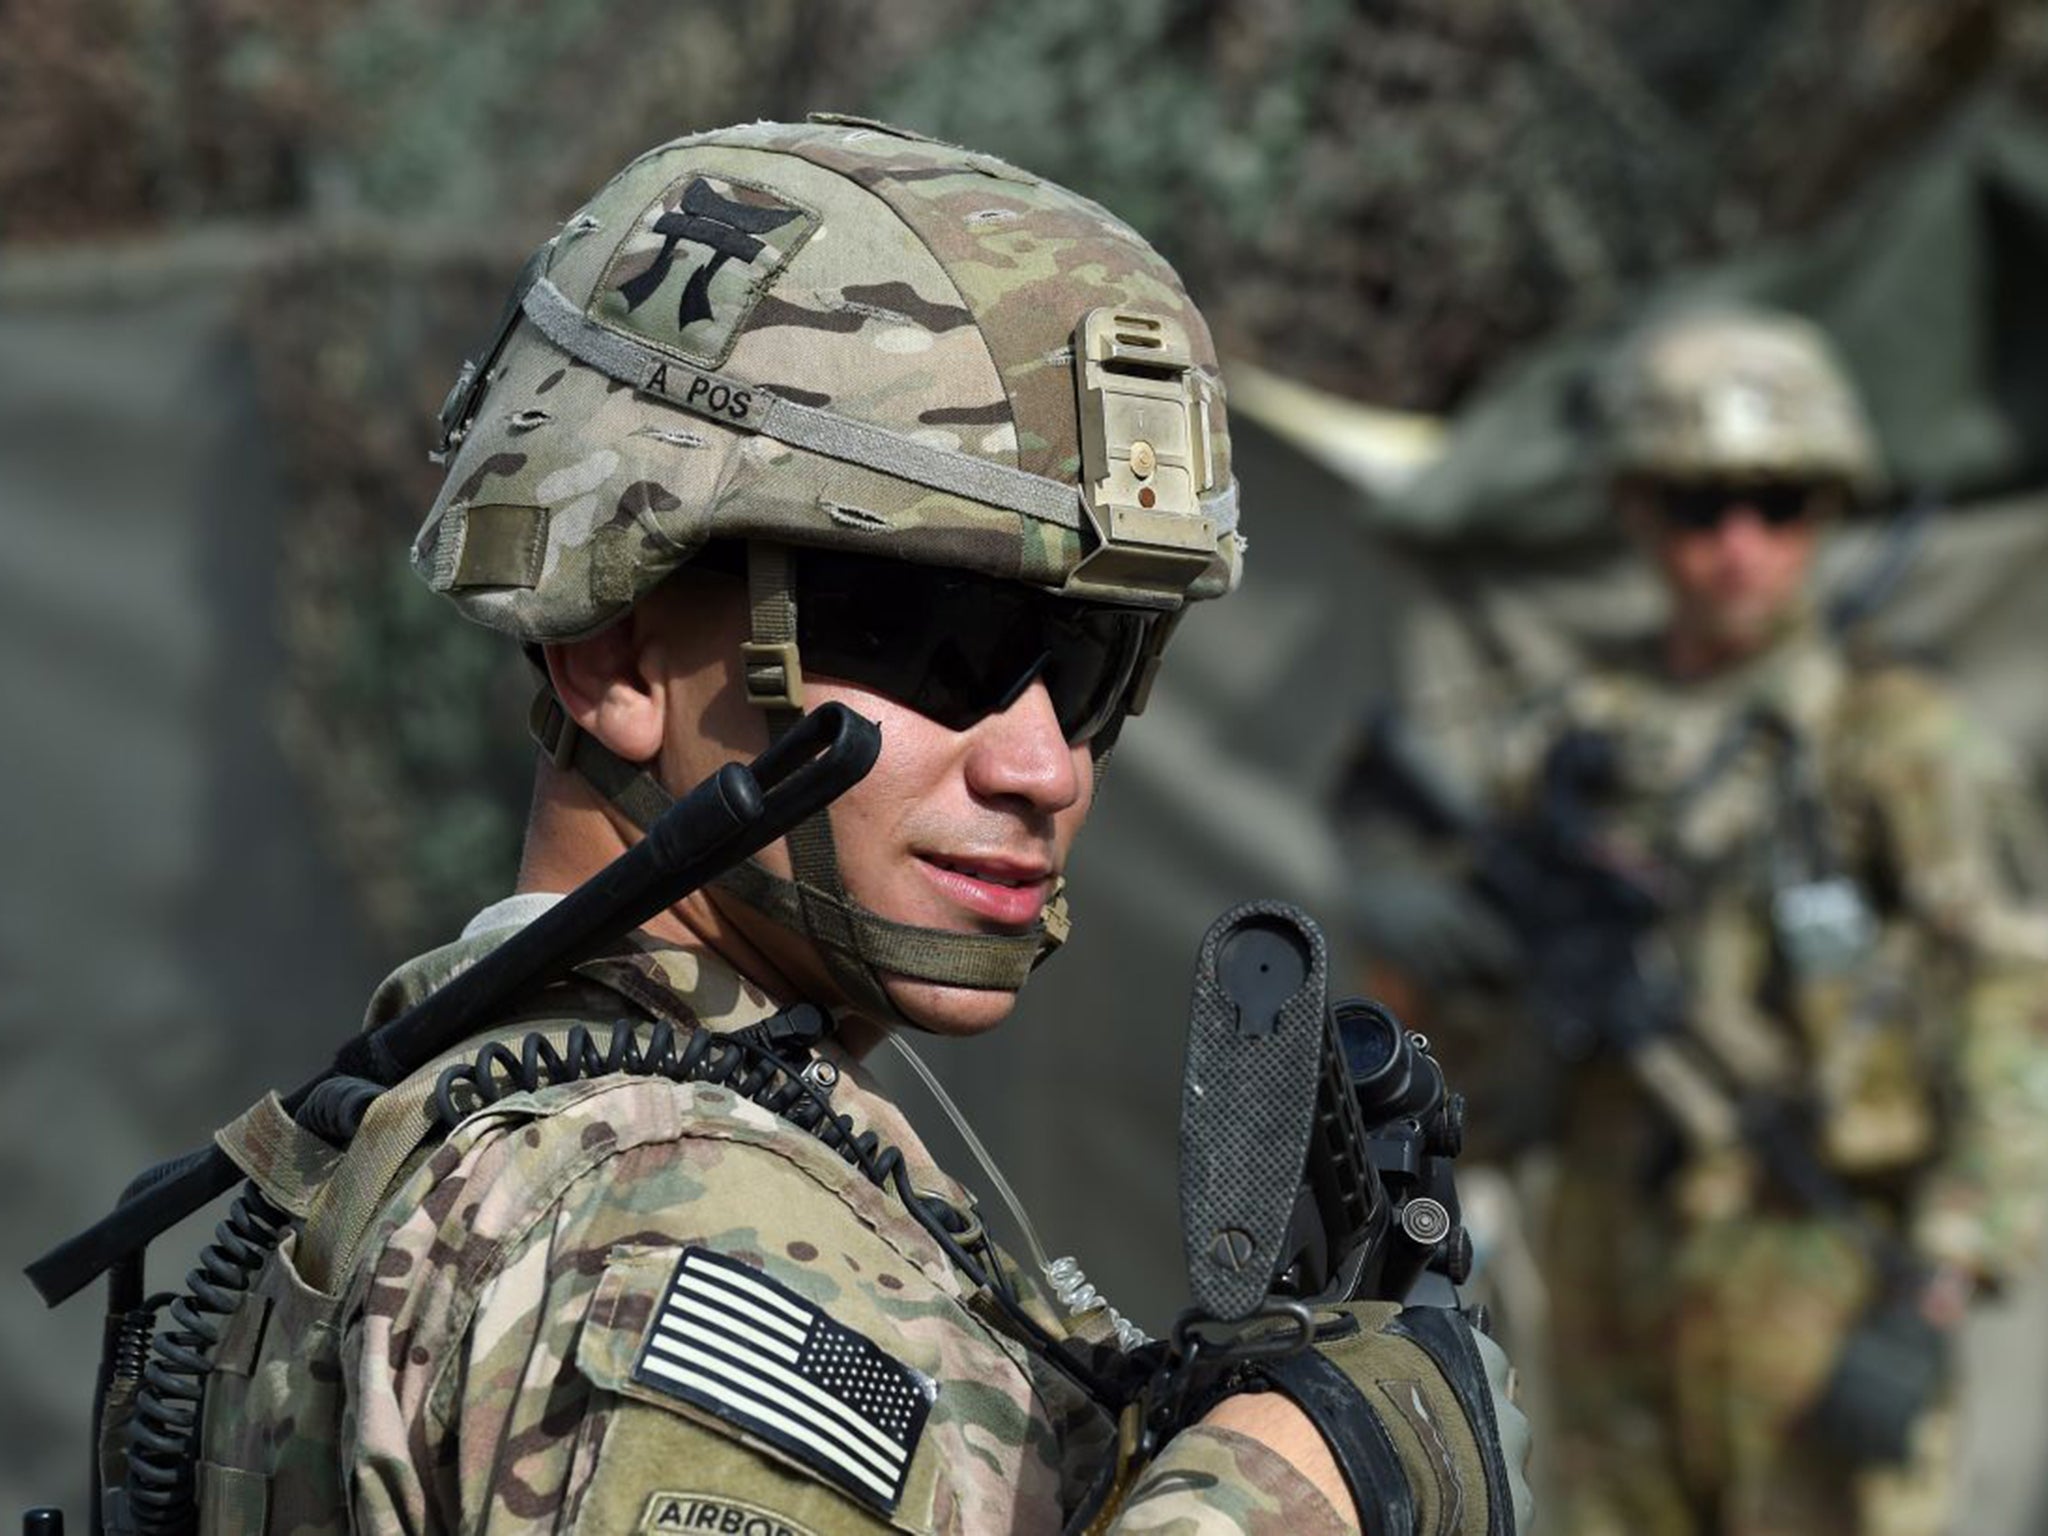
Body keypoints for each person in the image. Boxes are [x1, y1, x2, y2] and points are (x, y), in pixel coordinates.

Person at [152, 119, 1533, 1535]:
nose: (1043, 762)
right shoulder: (676, 1223)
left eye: (1097, 665)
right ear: (615, 653)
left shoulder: (494, 1114)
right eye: (939, 642)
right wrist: (1296, 1479)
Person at [1354, 304, 2048, 1536]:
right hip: (1604, 1251)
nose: (1735, 546)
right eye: (1695, 506)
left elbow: (2005, 1000)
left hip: (1819, 1262)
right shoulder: (1569, 739)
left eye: (1774, 504)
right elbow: (1449, 999)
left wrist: (1942, 1272)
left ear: (1826, 509)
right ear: (1634, 509)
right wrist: (1422, 939)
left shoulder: (1888, 741)